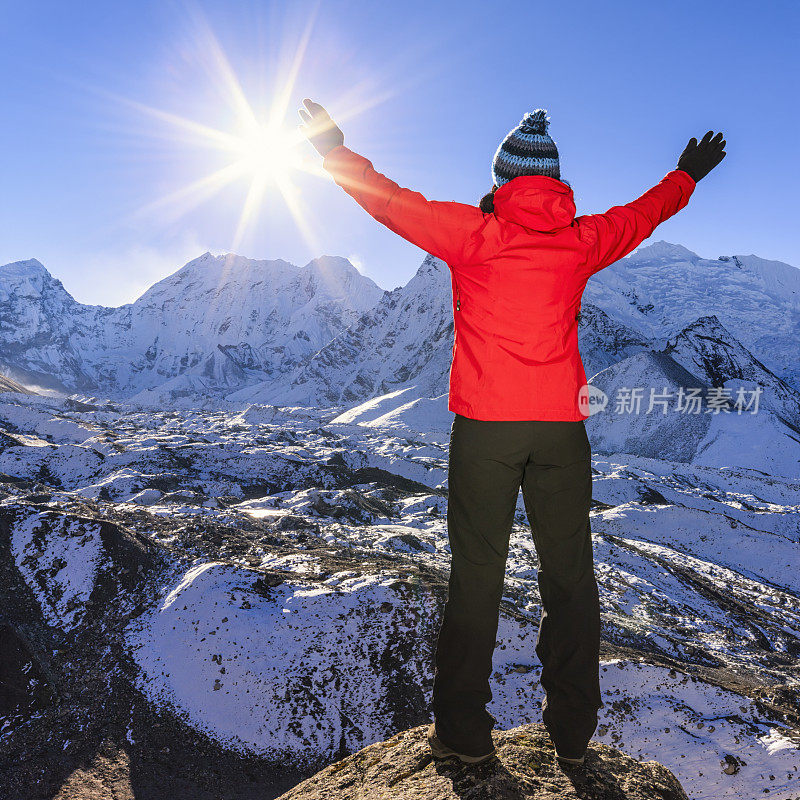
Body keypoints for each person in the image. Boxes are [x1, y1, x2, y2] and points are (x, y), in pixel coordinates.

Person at [298, 98, 726, 767]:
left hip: (486, 432)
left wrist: (331, 148)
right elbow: (641, 218)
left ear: (501, 179)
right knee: (570, 581)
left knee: (476, 578)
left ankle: (464, 732)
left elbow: (385, 200)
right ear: (552, 182)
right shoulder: (580, 239)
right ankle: (574, 735)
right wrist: (686, 177)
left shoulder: (470, 234)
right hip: (560, 432)